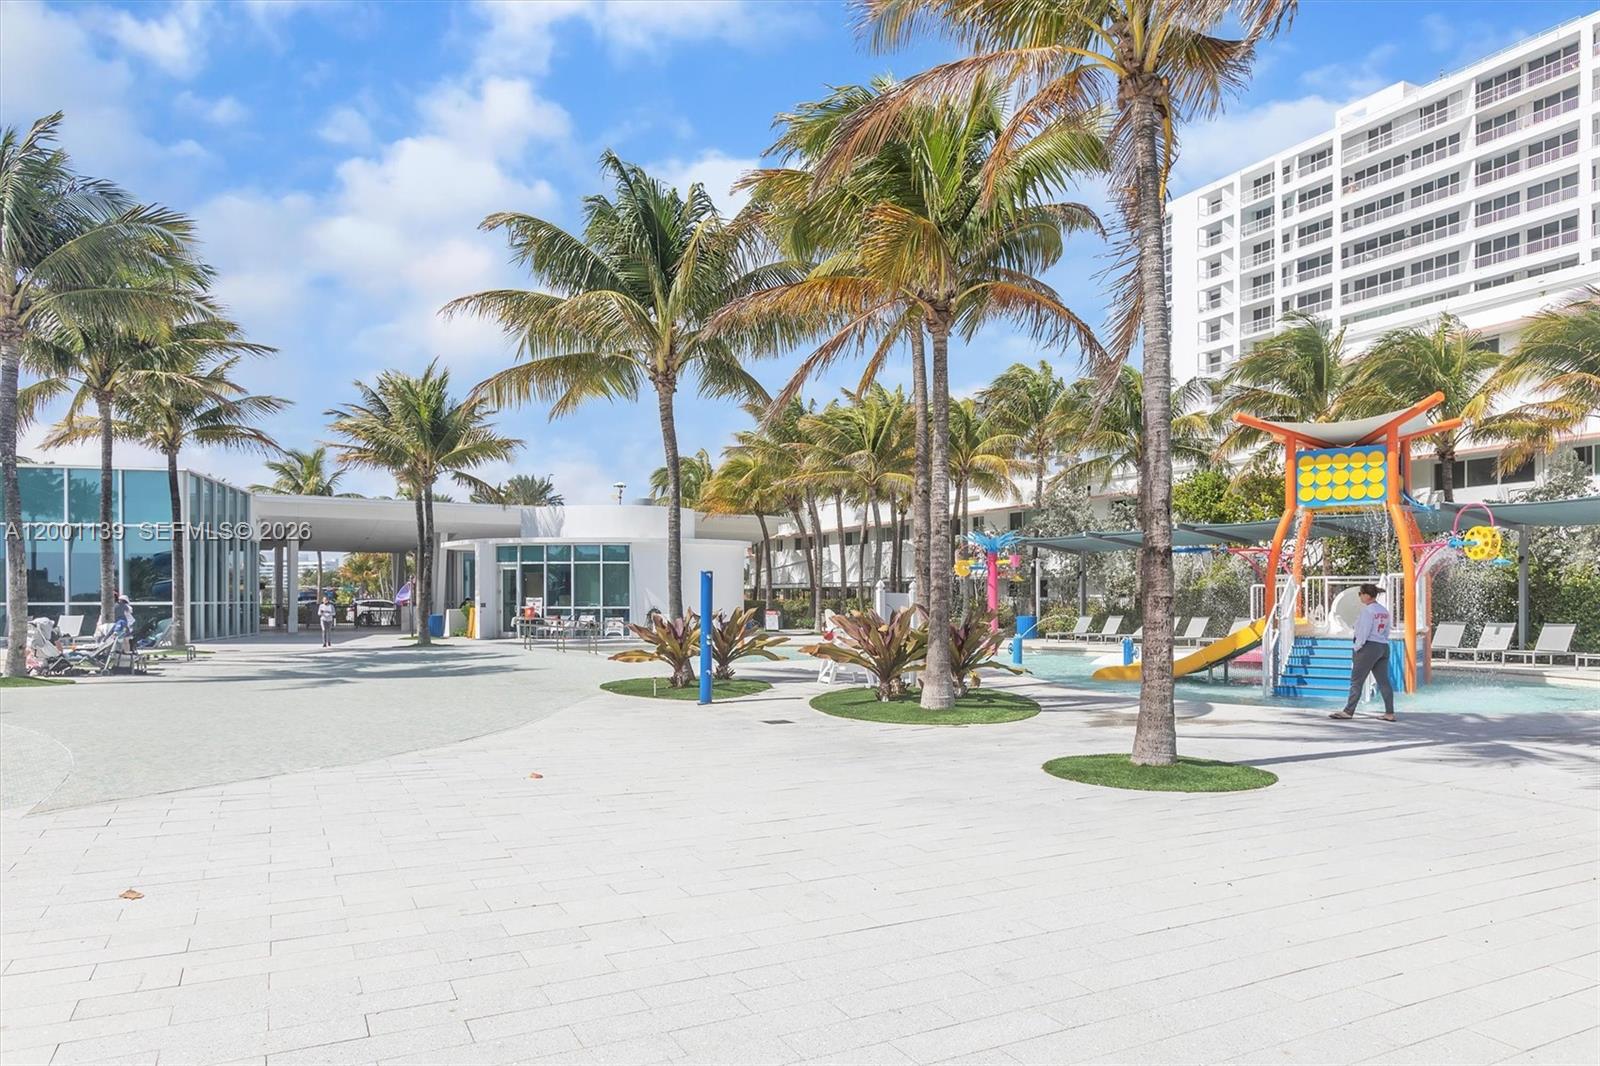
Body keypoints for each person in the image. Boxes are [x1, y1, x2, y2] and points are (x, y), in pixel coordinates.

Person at [1331, 583, 1394, 722]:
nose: (1359, 596)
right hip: (1383, 646)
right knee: (1384, 682)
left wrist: (1357, 647)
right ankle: (1390, 713)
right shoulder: (1384, 611)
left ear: (1367, 595)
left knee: (1356, 681)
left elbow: (1363, 632)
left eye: (1360, 593)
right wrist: (1382, 642)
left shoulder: (1368, 611)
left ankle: (1348, 711)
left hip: (1368, 647)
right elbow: (1387, 630)